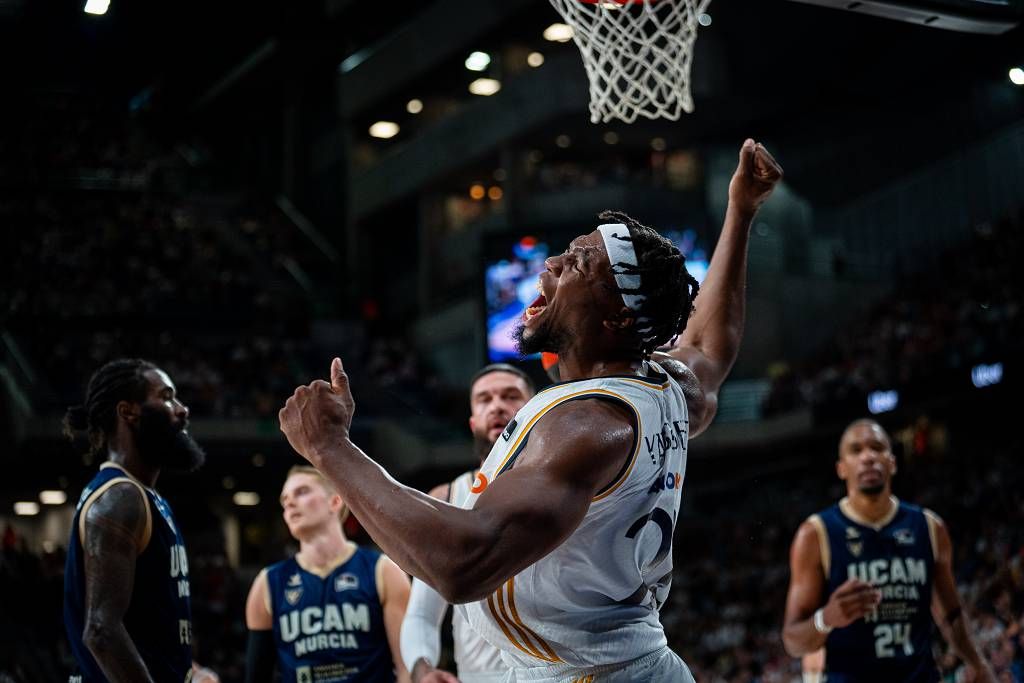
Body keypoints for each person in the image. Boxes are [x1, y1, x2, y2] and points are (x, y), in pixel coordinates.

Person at [279, 139, 782, 682]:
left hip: (587, 673)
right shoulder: (664, 385)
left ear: (615, 316)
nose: (550, 264)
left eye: (577, 263)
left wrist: (330, 448)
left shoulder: (584, 425)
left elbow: (462, 565)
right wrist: (741, 210)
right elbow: (710, 346)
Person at [781, 419, 995, 683]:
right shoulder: (815, 534)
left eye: (877, 447)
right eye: (856, 450)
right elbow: (793, 640)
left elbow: (951, 615)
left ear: (892, 462)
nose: (868, 457)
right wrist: (827, 618)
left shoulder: (929, 527)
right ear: (841, 468)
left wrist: (978, 663)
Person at [62, 358, 218, 683]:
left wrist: (188, 672)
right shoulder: (119, 497)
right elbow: (102, 632)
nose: (182, 409)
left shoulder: (145, 497)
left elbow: (150, 625)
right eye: (166, 397)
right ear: (128, 411)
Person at [400, 364, 536, 682]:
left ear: (535, 409)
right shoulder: (447, 496)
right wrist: (422, 669)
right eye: (484, 399)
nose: (497, 405)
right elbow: (422, 612)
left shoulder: (569, 484)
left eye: (510, 396)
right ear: (473, 420)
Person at [245, 466, 412, 683]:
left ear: (335, 501)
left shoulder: (384, 571)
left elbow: (408, 669)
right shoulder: (267, 583)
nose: (289, 503)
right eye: (285, 499)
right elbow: (256, 677)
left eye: (302, 492)